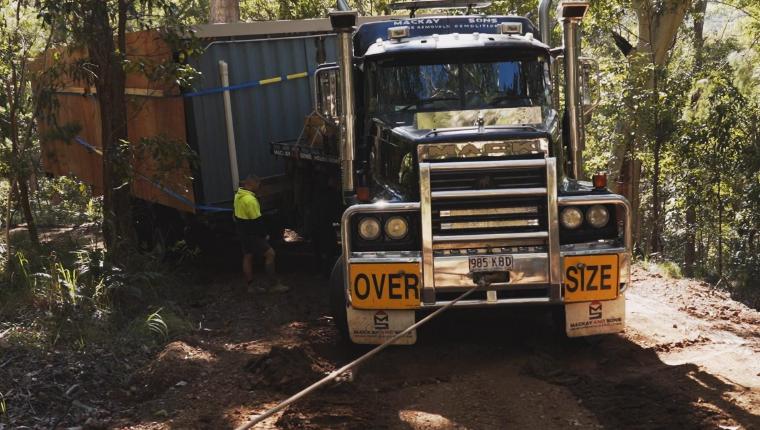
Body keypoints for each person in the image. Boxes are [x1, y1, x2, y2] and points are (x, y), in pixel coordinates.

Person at [234, 174, 289, 294]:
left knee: (247, 257)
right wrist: (264, 235)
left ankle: (250, 286)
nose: (259, 187)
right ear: (251, 184)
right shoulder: (251, 200)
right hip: (252, 234)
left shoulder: (238, 196)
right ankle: (274, 285)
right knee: (270, 254)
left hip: (242, 232)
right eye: (257, 184)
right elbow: (257, 221)